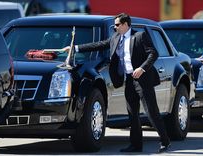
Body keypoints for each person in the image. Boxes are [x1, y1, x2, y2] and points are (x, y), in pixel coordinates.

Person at [64, 13, 170, 153]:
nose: (115, 27)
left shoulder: (139, 36)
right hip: (129, 80)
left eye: (118, 25)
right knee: (132, 114)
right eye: (115, 25)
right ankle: (136, 145)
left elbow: (153, 54)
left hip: (143, 80)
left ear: (126, 24)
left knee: (152, 113)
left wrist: (142, 68)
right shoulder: (115, 37)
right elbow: (100, 45)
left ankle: (165, 141)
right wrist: (75, 48)